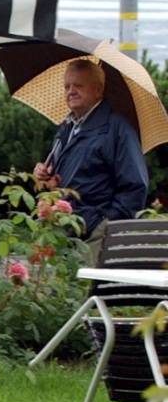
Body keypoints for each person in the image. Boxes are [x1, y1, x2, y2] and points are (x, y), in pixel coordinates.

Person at [33, 59, 148, 261]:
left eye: (78, 85)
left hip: (95, 236)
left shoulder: (117, 129)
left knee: (87, 290)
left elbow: (135, 187)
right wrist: (45, 177)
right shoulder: (67, 127)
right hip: (62, 228)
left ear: (98, 90)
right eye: (67, 86)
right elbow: (64, 179)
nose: (71, 91)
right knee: (58, 290)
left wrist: (103, 226)